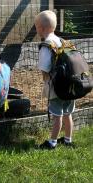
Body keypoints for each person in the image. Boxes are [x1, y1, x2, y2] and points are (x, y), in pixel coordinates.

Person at [35, 10, 75, 149]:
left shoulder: (47, 45)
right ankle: (68, 140)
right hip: (70, 85)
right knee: (68, 113)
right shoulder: (62, 41)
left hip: (56, 87)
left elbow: (45, 69)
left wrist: (46, 82)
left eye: (36, 27)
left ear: (41, 28)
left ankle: (52, 142)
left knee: (57, 116)